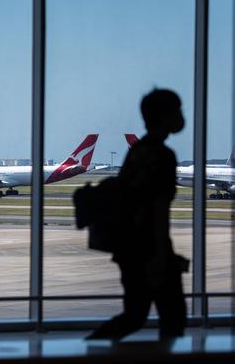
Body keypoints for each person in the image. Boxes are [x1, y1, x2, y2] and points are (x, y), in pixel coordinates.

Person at [86, 88, 187, 341]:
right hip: (148, 249)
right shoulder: (162, 155)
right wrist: (161, 256)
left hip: (131, 248)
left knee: (135, 316)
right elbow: (157, 210)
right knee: (172, 317)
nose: (181, 116)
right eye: (177, 110)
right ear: (164, 116)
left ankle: (91, 349)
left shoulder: (137, 151)